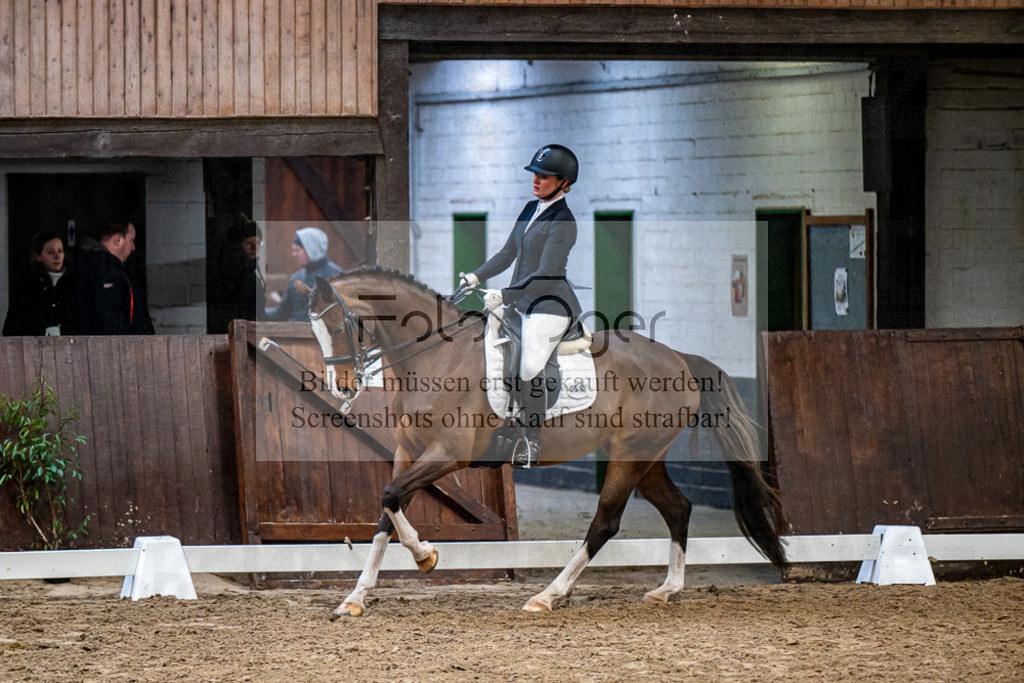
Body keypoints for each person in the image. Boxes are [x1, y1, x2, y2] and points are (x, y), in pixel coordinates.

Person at [460, 144, 583, 467]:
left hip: (549, 305)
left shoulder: (564, 221)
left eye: (544, 176)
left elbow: (547, 273)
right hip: (519, 299)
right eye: (535, 174)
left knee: (530, 366)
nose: (537, 180)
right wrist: (475, 276)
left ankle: (531, 440)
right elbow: (506, 254)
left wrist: (505, 294)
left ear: (564, 182)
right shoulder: (530, 209)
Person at [76, 220, 155, 335]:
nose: (133, 247)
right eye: (131, 240)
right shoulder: (106, 273)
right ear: (118, 240)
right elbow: (111, 322)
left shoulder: (107, 269)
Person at [2, 233, 79, 336]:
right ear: (38, 257)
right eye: (50, 252)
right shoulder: (26, 286)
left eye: (60, 251)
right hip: (34, 348)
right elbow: (12, 327)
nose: (57, 256)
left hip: (71, 347)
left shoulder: (74, 284)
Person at [265, 226, 343, 322]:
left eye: (297, 250)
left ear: (311, 249)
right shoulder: (296, 278)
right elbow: (281, 314)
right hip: (295, 335)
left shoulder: (337, 276)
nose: (294, 255)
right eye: (293, 250)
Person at [209, 213, 267, 334]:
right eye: (249, 242)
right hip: (238, 332)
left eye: (258, 242)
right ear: (239, 245)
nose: (254, 247)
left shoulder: (251, 270)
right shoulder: (234, 272)